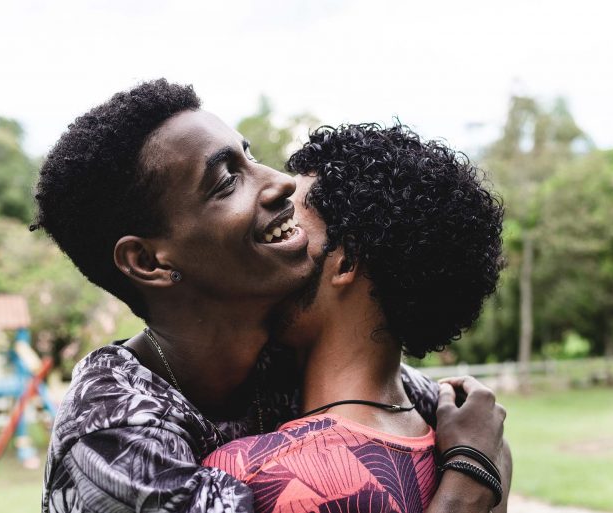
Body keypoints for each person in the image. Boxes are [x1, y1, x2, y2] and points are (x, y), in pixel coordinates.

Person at [33, 80, 509, 513]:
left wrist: (480, 439)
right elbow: (479, 455)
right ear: (148, 261)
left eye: (250, 156)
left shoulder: (284, 356)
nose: (281, 181)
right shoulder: (113, 435)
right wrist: (470, 482)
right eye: (227, 181)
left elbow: (466, 420)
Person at [204, 123, 509, 512]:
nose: (266, 250)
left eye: (288, 228)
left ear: (345, 261)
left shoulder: (251, 475)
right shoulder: (486, 453)